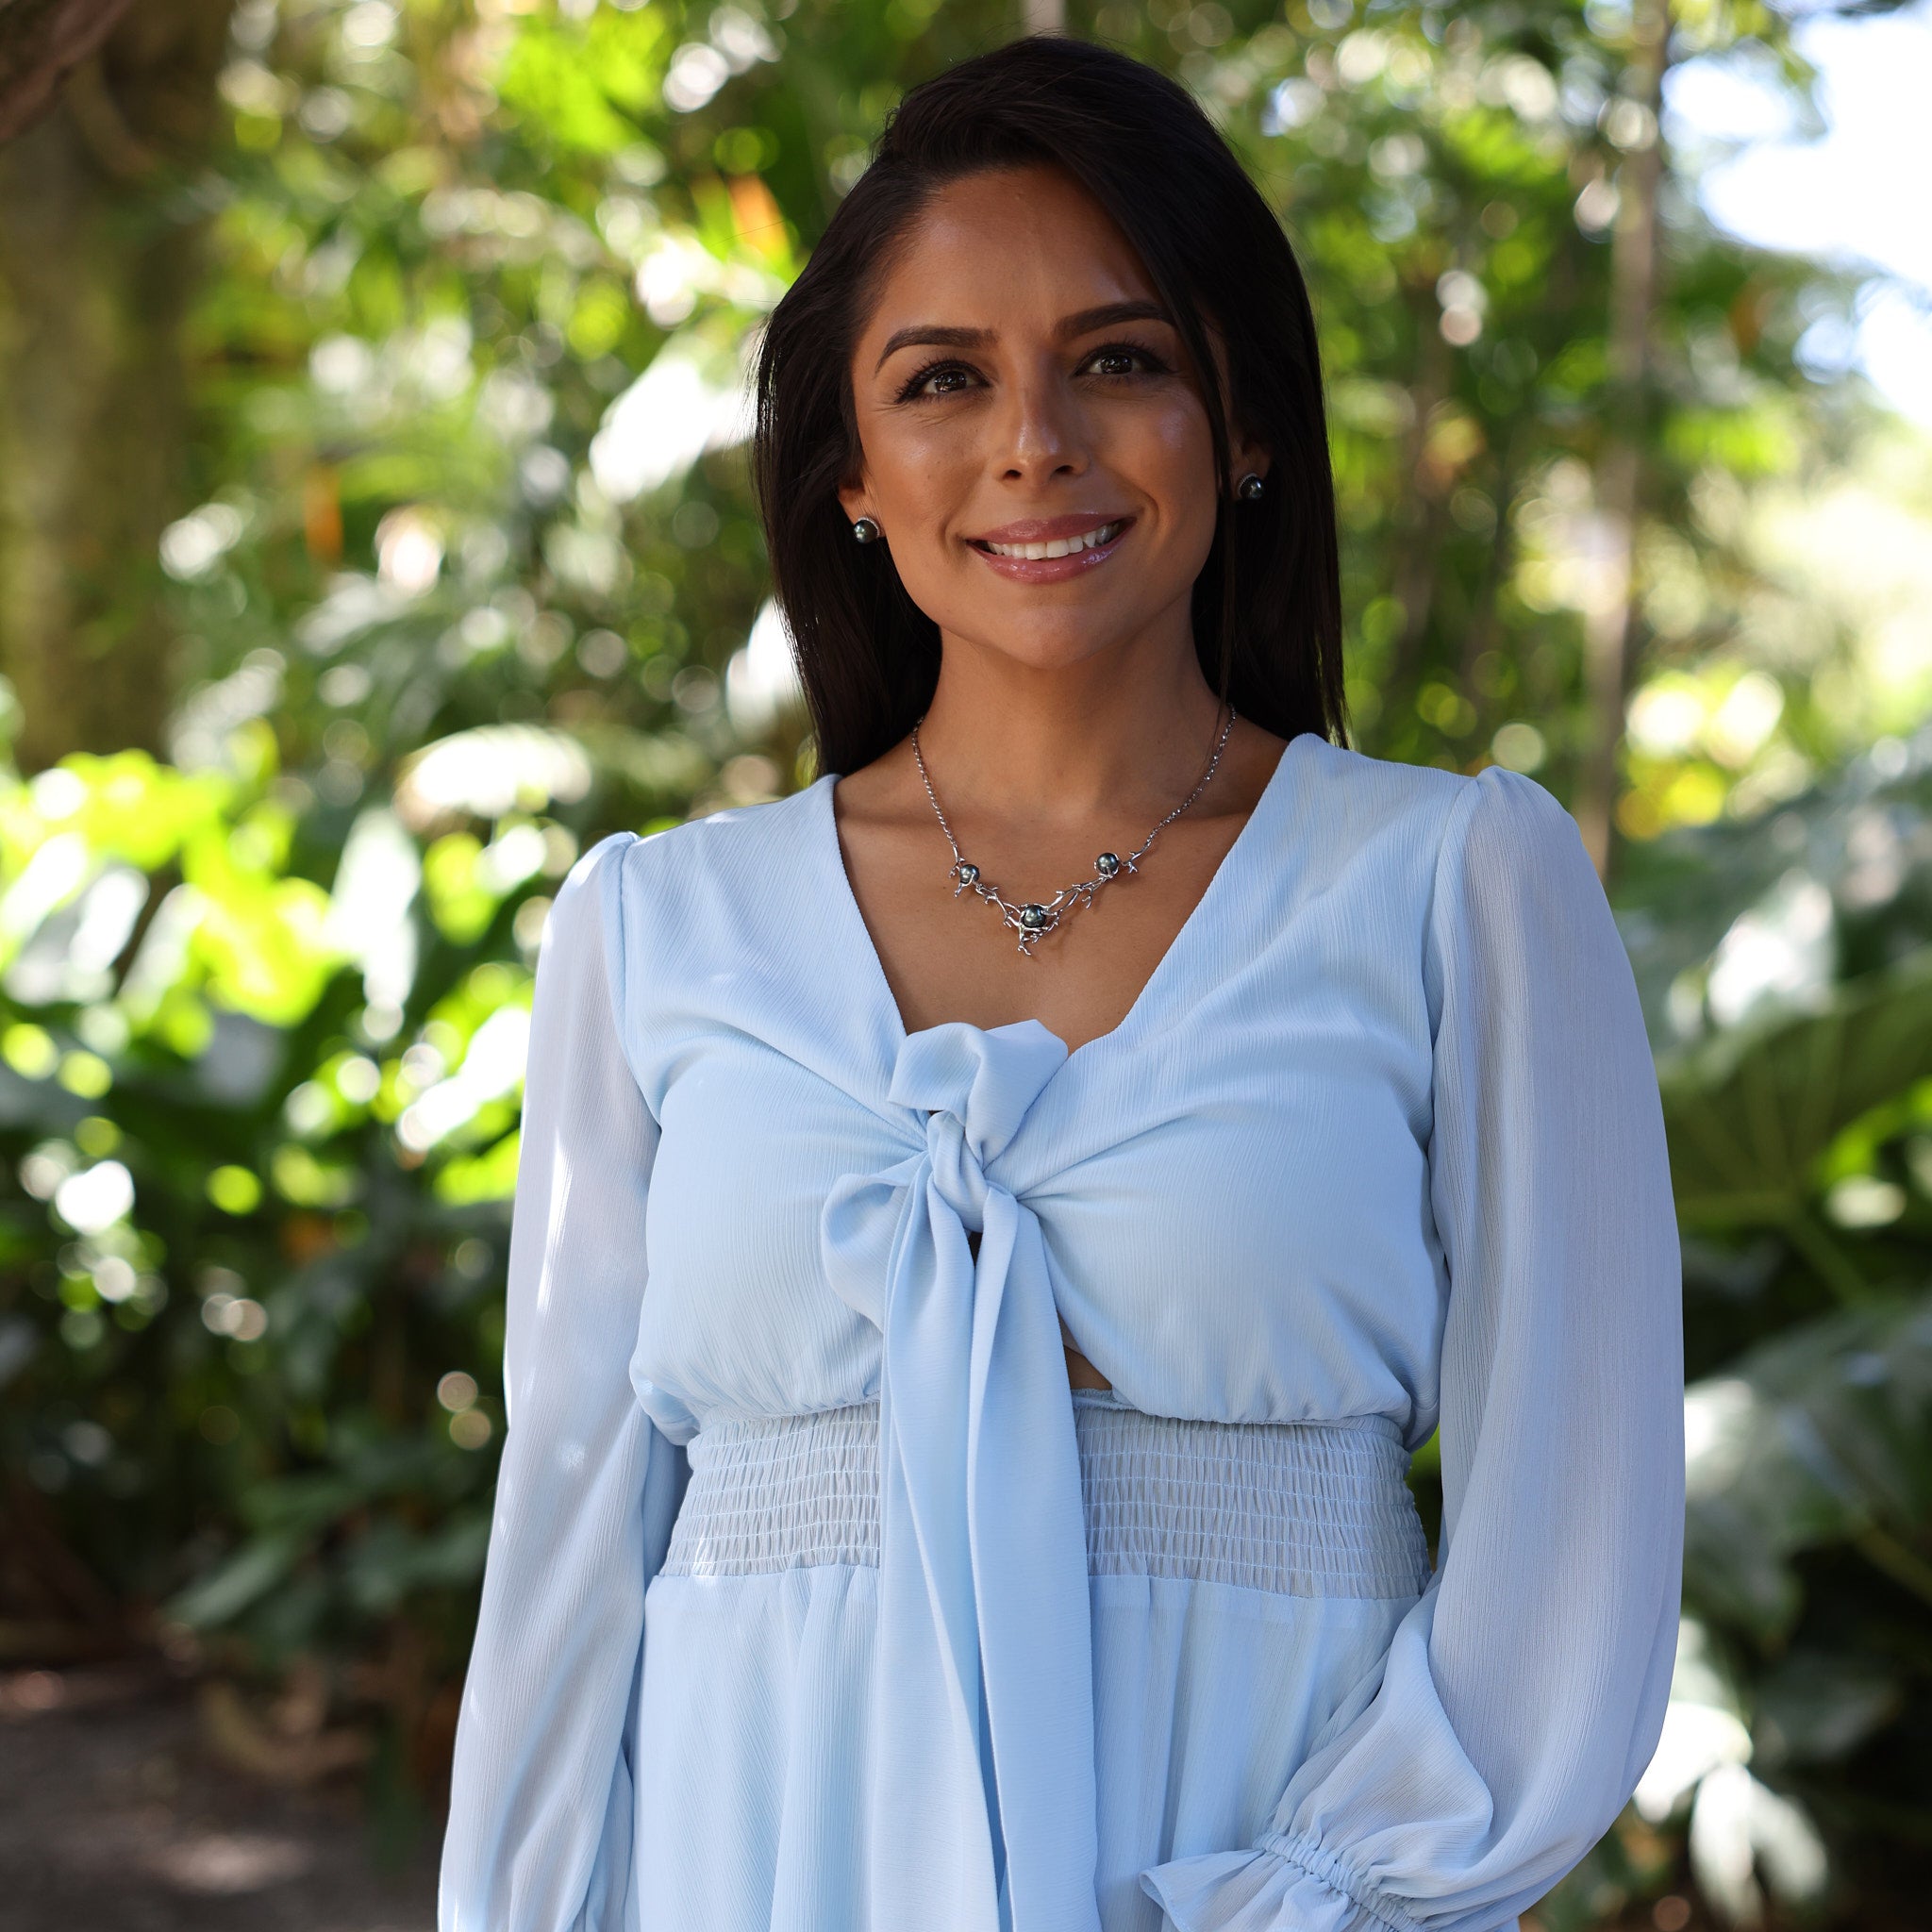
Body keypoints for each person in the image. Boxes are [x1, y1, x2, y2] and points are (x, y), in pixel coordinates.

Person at [438, 34, 1683, 1932]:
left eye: (1119, 359)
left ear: (1241, 422)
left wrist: (1304, 1904)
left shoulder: (1453, 885)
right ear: (852, 473)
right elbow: (565, 1564)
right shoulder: (652, 928)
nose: (1034, 440)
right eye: (943, 379)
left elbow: (1567, 1535)